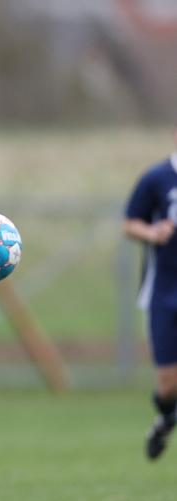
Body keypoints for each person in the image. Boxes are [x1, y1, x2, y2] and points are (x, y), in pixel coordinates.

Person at [124, 124, 177, 460]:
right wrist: (152, 232)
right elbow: (129, 223)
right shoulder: (157, 179)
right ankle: (165, 420)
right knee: (168, 386)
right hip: (165, 291)